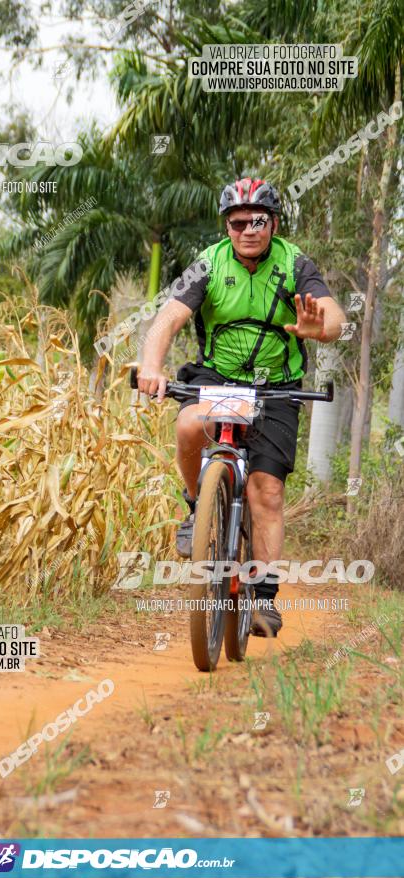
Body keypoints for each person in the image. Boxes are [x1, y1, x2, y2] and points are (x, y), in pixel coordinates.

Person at [137, 177, 346, 636]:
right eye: (237, 222)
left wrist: (320, 328)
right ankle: (199, 507)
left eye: (258, 220)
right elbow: (168, 319)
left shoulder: (295, 262)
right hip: (217, 378)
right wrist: (151, 365)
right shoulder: (208, 264)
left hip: (276, 386)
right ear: (226, 227)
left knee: (266, 489)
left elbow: (335, 317)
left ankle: (265, 598)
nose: (248, 229)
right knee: (190, 426)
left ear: (273, 222)